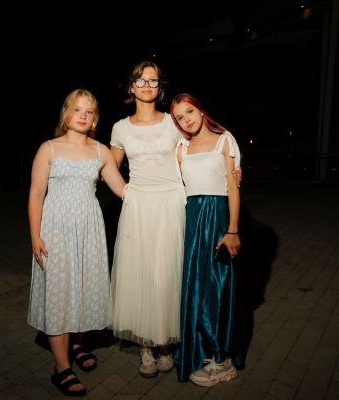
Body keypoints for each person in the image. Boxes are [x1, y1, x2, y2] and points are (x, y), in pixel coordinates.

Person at [107, 60, 242, 378]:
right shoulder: (120, 128)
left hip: (172, 203)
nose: (147, 85)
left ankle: (167, 344)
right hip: (138, 206)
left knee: (169, 273)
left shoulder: (174, 121)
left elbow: (200, 151)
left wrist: (231, 172)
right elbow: (108, 164)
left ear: (160, 86)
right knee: (141, 273)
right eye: (140, 80)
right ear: (131, 87)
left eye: (153, 80)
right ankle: (146, 348)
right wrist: (125, 192)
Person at [27, 88, 127, 397]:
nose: (83, 116)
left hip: (88, 229)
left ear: (95, 118)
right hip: (55, 230)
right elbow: (36, 194)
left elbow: (122, 189)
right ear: (66, 114)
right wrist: (35, 236)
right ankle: (62, 367)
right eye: (77, 109)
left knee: (84, 286)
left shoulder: (100, 151)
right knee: (59, 292)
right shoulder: (49, 148)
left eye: (89, 111)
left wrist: (160, 190)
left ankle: (78, 345)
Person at [170, 92, 244, 387]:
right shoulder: (181, 149)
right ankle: (201, 350)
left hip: (217, 219)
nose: (186, 119)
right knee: (195, 287)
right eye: (179, 117)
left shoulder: (225, 141)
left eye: (189, 112)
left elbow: (233, 188)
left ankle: (224, 360)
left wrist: (233, 231)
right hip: (191, 221)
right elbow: (176, 189)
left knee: (218, 287)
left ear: (201, 111)